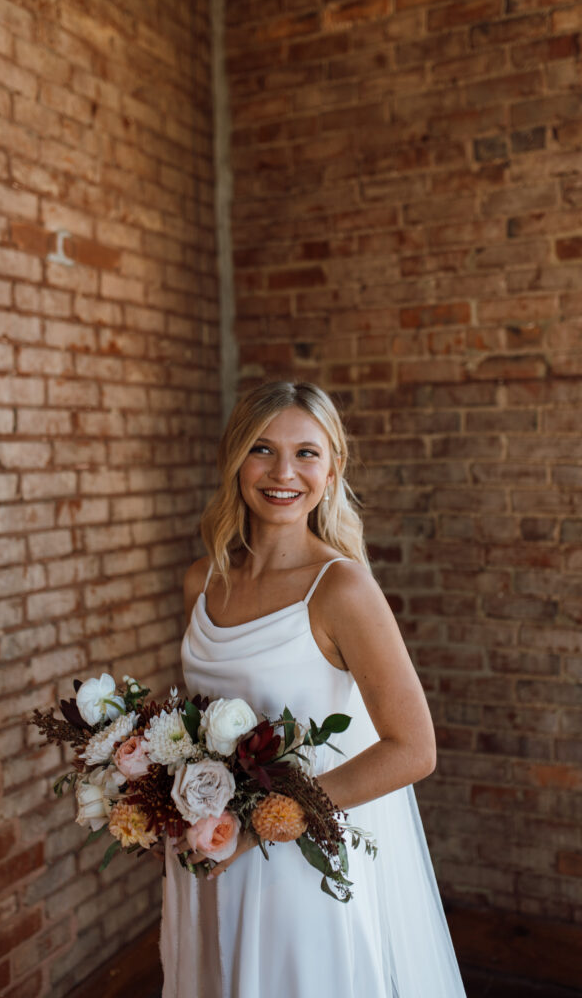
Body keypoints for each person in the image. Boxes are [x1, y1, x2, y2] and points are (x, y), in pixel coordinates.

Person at [160, 380, 466, 998]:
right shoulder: (202, 580)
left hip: (297, 867)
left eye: (307, 453)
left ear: (331, 470)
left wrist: (261, 825)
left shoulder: (341, 589)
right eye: (262, 449)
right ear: (236, 460)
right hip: (207, 853)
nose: (283, 472)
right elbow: (196, 717)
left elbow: (413, 749)